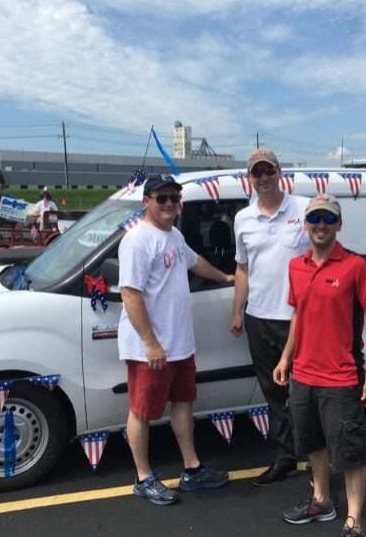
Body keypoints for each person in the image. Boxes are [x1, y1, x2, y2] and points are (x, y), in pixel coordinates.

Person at [273, 194, 366, 535]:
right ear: (306, 224)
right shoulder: (296, 266)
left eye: (328, 219)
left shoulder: (355, 265)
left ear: (338, 224)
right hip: (303, 375)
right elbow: (298, 315)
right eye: (315, 219)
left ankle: (354, 522)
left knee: (349, 453)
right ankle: (321, 501)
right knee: (313, 444)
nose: (320, 225)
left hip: (341, 377)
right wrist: (285, 358)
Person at [118, 174, 234, 506]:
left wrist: (226, 276)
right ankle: (143, 478)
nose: (170, 203)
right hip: (151, 348)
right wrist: (151, 343)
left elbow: (196, 263)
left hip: (180, 343)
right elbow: (130, 294)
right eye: (162, 197)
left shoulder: (174, 236)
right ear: (147, 201)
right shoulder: (139, 240)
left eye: (175, 197)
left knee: (183, 403)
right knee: (142, 411)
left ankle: (192, 470)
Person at [230, 148, 310, 486]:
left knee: (309, 391)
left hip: (300, 317)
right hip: (260, 317)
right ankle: (286, 456)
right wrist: (237, 310)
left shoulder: (305, 209)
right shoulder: (243, 218)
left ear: (280, 172)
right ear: (250, 178)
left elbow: (325, 253)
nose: (262, 178)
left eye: (268, 171)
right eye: (256, 173)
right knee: (273, 392)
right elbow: (243, 267)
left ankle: (318, 457)